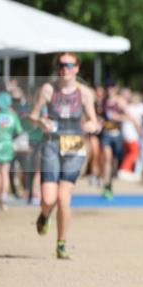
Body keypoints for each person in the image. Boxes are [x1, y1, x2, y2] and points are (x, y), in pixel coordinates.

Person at [29, 53, 99, 259]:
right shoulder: (48, 90)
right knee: (48, 199)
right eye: (61, 65)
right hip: (51, 144)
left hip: (74, 146)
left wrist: (88, 126)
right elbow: (33, 116)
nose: (64, 69)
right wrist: (41, 122)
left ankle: (61, 243)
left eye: (69, 65)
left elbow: (94, 121)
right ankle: (44, 214)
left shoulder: (85, 93)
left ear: (77, 68)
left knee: (63, 197)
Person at [0, 91, 23, 210]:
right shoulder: (13, 115)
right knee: (5, 172)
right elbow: (19, 130)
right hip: (9, 144)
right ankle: (4, 196)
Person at [99, 79, 129, 199]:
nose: (109, 89)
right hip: (106, 133)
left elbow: (128, 116)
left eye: (112, 87)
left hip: (117, 135)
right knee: (107, 158)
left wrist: (118, 117)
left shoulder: (120, 101)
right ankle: (105, 185)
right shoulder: (103, 102)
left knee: (113, 162)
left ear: (115, 88)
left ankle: (110, 184)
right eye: (107, 87)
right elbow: (99, 115)